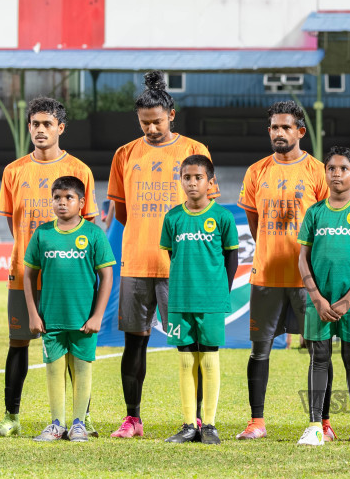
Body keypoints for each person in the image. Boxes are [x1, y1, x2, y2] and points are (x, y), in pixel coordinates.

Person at [106, 72, 213, 439]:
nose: (151, 129)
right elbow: (122, 212)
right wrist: (143, 232)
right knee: (134, 341)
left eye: (157, 121)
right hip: (136, 261)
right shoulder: (125, 154)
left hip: (179, 266)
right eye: (144, 123)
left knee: (189, 344)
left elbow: (204, 209)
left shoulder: (193, 151)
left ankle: (196, 418)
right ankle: (132, 418)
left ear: (172, 114)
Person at [0, 97, 97, 437]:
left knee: (74, 345)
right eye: (35, 124)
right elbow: (14, 223)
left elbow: (90, 226)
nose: (40, 130)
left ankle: (82, 418)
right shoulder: (14, 171)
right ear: (29, 128)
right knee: (18, 343)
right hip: (24, 273)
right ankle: (11, 416)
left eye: (47, 124)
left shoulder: (80, 170)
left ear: (60, 128)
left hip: (68, 278)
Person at [238, 100, 328, 440]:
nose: (278, 132)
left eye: (285, 127)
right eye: (274, 127)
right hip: (266, 277)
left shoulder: (317, 172)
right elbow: (253, 221)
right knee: (260, 349)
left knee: (319, 349)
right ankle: (256, 422)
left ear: (300, 132)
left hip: (308, 280)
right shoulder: (256, 171)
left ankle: (323, 423)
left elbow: (325, 224)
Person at [297, 146, 350, 447]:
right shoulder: (315, 213)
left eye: (343, 169)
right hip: (318, 300)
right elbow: (302, 259)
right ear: (325, 174)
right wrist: (317, 298)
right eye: (332, 168)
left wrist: (348, 299)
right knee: (318, 358)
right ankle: (315, 427)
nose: (337, 174)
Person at [22, 176, 114, 443]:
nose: (62, 203)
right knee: (53, 368)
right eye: (57, 198)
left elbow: (107, 276)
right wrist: (33, 313)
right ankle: (56, 424)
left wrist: (97, 315)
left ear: (82, 202)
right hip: (51, 317)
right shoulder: (43, 233)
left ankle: (78, 424)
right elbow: (28, 275)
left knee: (83, 368)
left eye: (69, 198)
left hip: (83, 318)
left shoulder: (93, 234)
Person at [160, 155, 238, 444]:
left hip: (211, 302)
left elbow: (232, 258)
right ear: (180, 180)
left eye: (198, 177)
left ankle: (210, 425)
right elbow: (172, 255)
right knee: (184, 361)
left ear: (210, 182)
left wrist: (220, 292)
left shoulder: (223, 217)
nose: (192, 183)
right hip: (180, 300)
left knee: (209, 357)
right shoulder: (172, 218)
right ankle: (188, 424)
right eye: (186, 177)